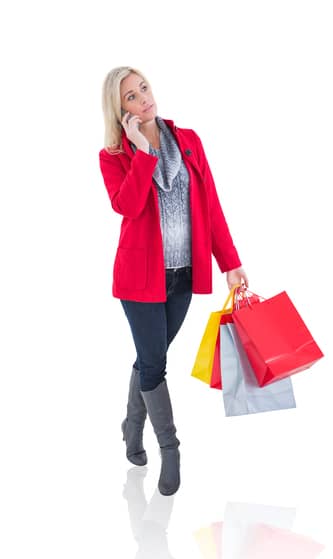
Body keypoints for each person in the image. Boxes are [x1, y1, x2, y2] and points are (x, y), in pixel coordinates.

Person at [100, 66, 247, 496]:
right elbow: (126, 206)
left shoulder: (189, 141)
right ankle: (171, 448)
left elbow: (211, 205)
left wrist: (230, 262)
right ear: (119, 109)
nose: (142, 98)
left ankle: (131, 427)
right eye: (130, 96)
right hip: (139, 279)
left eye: (143, 88)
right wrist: (142, 152)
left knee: (151, 357)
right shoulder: (113, 156)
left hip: (184, 274)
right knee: (155, 364)